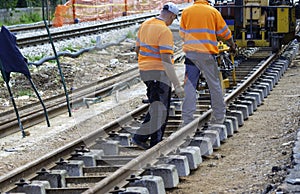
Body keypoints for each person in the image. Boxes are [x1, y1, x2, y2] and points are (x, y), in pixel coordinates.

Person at [131, 2, 185, 149]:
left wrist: (145, 63)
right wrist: (178, 85)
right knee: (160, 109)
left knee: (157, 106)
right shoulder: (164, 31)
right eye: (174, 19)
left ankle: (146, 139)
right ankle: (151, 142)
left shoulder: (145, 24)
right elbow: (166, 60)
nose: (173, 21)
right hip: (159, 73)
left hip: (145, 72)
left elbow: (137, 49)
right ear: (172, 16)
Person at [179, 0, 236, 125]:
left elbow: (182, 33)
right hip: (207, 56)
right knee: (214, 85)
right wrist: (232, 45)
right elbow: (225, 33)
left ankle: (187, 118)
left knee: (190, 86)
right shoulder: (213, 11)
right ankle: (219, 115)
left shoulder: (186, 12)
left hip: (191, 55)